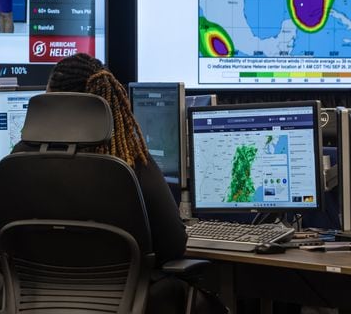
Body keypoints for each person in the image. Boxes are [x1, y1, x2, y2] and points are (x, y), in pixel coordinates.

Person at [16, 53, 227, 314]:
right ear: (103, 103)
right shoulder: (129, 161)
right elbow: (173, 245)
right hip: (123, 304)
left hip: (36, 303)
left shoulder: (18, 161)